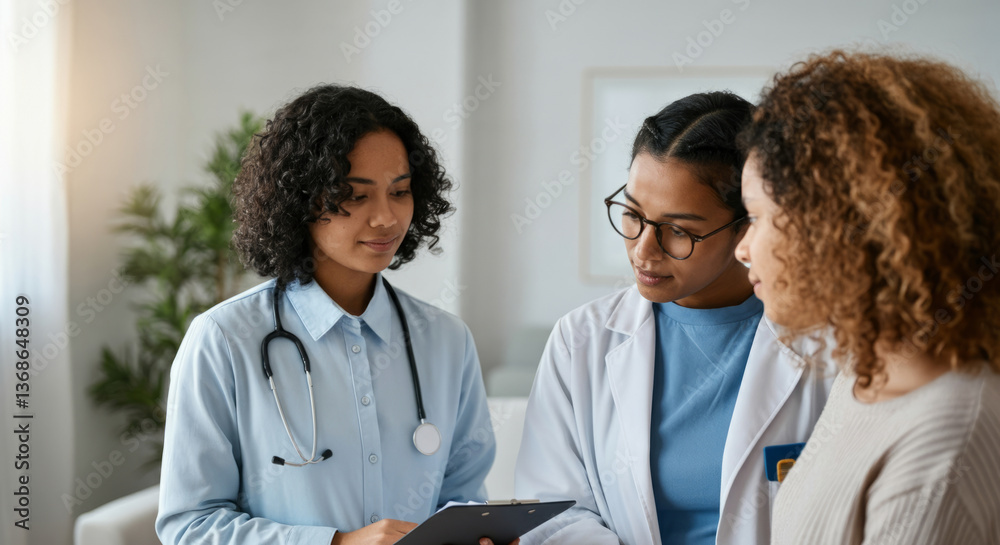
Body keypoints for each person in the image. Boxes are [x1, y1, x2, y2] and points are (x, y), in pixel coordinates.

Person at [156, 84, 496, 545]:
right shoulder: (223, 339)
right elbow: (189, 526)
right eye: (355, 196)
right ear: (300, 200)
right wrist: (336, 544)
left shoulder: (446, 341)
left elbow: (463, 500)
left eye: (400, 192)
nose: (385, 218)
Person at [514, 91, 835, 545]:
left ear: (749, 225)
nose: (643, 250)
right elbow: (552, 513)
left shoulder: (830, 343)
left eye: (679, 231)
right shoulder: (581, 340)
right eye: (633, 215)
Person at [736, 50, 1000, 544]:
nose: (743, 249)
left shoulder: (944, 448)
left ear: (834, 226)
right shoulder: (867, 366)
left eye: (756, 217)